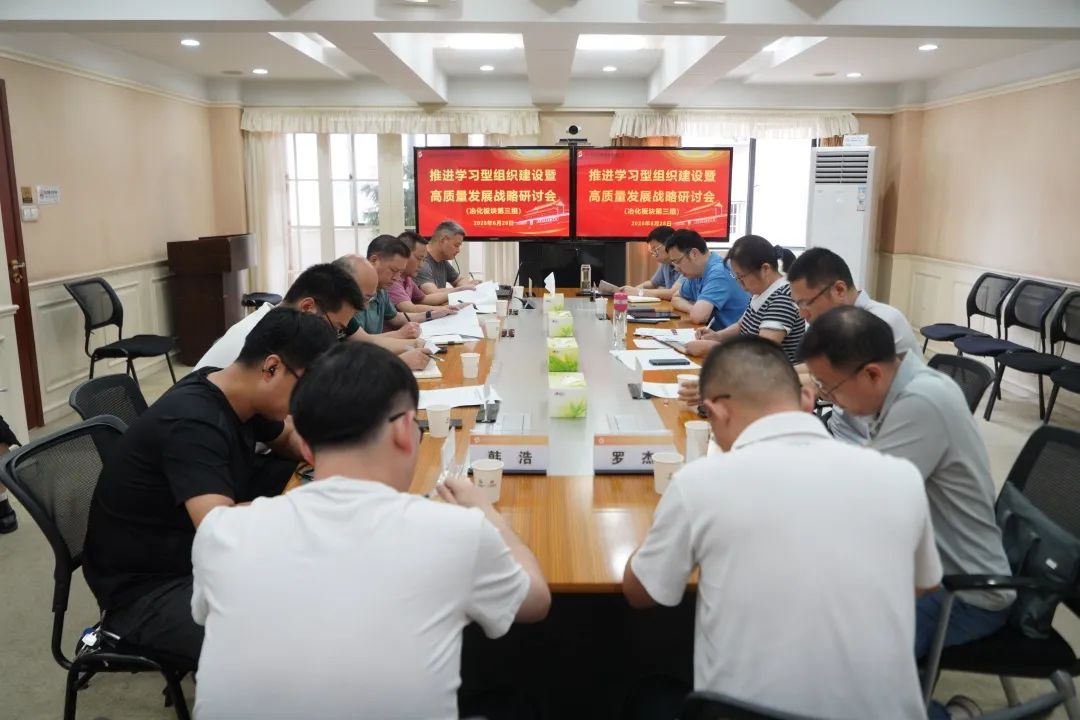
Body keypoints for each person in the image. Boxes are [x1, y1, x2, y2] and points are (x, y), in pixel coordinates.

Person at [191, 342, 551, 719]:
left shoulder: (222, 530)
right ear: (406, 430)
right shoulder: (458, 533)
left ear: (307, 449)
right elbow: (536, 602)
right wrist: (488, 513)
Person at [623, 336, 941, 719]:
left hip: (741, 715)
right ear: (807, 399)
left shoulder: (699, 483)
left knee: (648, 693)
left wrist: (655, 530)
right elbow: (923, 585)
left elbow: (641, 593)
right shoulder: (901, 477)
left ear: (717, 411)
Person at [82, 307, 337, 669]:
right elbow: (220, 527)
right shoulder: (193, 422)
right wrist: (315, 504)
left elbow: (287, 439)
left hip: (188, 553)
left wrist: (340, 458)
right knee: (298, 638)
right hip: (147, 591)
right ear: (271, 368)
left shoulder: (233, 390)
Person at [798, 306, 1013, 720]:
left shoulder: (921, 403)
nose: (827, 397)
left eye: (829, 387)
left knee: (837, 662)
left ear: (872, 374)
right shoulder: (904, 385)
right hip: (919, 568)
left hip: (961, 590)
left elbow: (861, 505)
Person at [786, 247, 921, 442]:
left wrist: (777, 380)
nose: (802, 313)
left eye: (805, 303)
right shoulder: (839, 322)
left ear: (839, 290)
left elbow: (824, 380)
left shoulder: (879, 321)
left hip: (863, 442)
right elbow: (817, 369)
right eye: (797, 304)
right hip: (838, 428)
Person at [196, 261, 365, 370]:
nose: (333, 338)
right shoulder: (256, 337)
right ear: (307, 307)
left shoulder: (279, 327)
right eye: (335, 328)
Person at [683, 234, 805, 362]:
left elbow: (760, 352)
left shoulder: (783, 298)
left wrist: (712, 347)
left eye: (741, 277)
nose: (740, 285)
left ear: (765, 269)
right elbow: (741, 325)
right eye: (737, 278)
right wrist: (717, 336)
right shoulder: (761, 291)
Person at [333, 252, 434, 371]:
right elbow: (336, 372)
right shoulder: (318, 324)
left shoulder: (343, 314)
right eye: (364, 298)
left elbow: (368, 342)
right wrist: (400, 362)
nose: (364, 307)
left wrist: (415, 344)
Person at [666, 229, 750, 330]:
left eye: (677, 261)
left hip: (735, 338)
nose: (676, 268)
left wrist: (695, 310)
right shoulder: (696, 273)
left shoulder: (719, 272)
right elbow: (675, 298)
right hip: (714, 334)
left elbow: (699, 317)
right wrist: (693, 308)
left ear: (694, 254)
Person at [390, 230, 461, 314]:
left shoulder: (407, 278)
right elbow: (409, 308)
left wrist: (459, 290)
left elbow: (424, 299)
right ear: (403, 255)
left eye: (423, 260)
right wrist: (442, 309)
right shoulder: (392, 280)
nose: (421, 265)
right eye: (419, 258)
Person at [415, 219, 479, 293]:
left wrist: (468, 286)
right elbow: (433, 293)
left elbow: (459, 280)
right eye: (456, 245)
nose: (458, 250)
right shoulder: (421, 261)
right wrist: (462, 289)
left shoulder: (442, 260)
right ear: (443, 240)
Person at [621, 226, 682, 301]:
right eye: (652, 251)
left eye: (655, 249)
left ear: (668, 244)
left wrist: (639, 292)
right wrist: (633, 290)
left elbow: (673, 293)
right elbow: (653, 283)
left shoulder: (684, 263)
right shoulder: (665, 263)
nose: (654, 254)